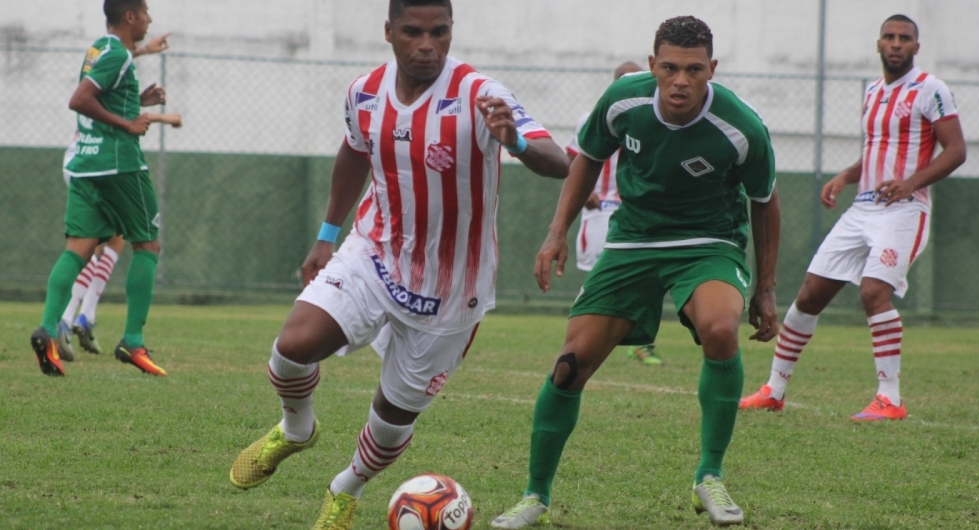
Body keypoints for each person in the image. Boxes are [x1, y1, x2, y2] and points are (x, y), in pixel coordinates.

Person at [227, 1, 569, 528]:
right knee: (291, 348)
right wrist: (326, 234)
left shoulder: (482, 95)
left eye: (440, 32)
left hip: (453, 285)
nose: (427, 44)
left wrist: (517, 142)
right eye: (413, 32)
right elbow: (355, 152)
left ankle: (346, 487)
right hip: (375, 250)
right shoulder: (364, 91)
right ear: (389, 31)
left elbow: (558, 161)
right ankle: (296, 430)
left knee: (392, 416)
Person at [492, 15, 780, 528]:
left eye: (694, 70)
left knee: (719, 330)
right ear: (652, 65)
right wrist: (558, 230)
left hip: (708, 242)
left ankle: (709, 477)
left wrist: (766, 289)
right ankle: (535, 496)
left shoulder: (742, 127)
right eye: (669, 68)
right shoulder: (623, 100)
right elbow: (586, 158)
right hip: (633, 239)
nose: (680, 82)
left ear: (712, 69)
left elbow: (765, 201)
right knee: (569, 365)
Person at [740, 14, 966, 422]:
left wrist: (910, 182)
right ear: (878, 44)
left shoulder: (931, 89)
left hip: (905, 210)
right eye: (889, 37)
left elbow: (956, 151)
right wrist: (847, 175)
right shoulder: (873, 91)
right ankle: (773, 391)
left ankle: (890, 399)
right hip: (863, 207)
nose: (896, 44)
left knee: (873, 292)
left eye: (905, 38)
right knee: (809, 296)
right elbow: (879, 151)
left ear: (916, 47)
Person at [31, 0, 169, 378]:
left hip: (85, 165)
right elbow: (80, 99)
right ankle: (132, 340)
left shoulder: (99, 49)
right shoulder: (119, 54)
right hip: (119, 164)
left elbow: (100, 95)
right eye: (145, 13)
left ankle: (47, 329)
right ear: (129, 16)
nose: (149, 19)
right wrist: (127, 125)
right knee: (148, 244)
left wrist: (138, 101)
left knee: (77, 249)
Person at [58, 32, 172, 360]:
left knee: (108, 241)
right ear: (130, 17)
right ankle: (69, 318)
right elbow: (102, 89)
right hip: (97, 161)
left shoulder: (100, 52)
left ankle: (82, 316)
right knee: (95, 244)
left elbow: (110, 88)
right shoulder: (112, 55)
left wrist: (141, 94)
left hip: (81, 158)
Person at [566, 61, 663, 367]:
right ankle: (582, 337)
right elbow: (572, 157)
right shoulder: (592, 117)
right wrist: (587, 194)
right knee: (599, 277)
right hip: (600, 210)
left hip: (636, 213)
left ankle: (642, 343)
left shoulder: (654, 117)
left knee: (645, 276)